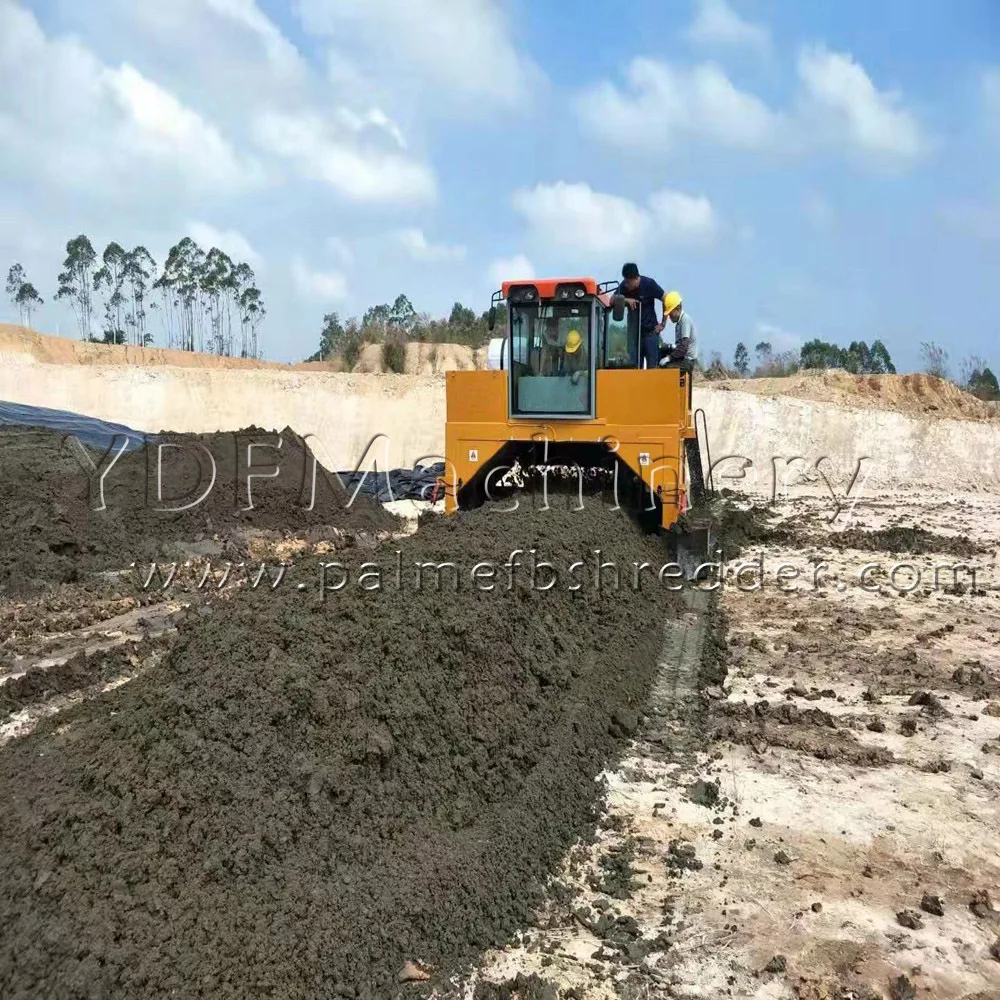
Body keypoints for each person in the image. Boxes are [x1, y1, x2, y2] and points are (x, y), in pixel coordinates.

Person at [616, 262, 666, 370]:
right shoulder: (623, 287)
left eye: (628, 282)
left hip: (650, 333)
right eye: (625, 281)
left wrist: (663, 323)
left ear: (635, 278)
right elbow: (612, 300)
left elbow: (666, 298)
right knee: (633, 367)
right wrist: (626, 300)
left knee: (652, 368)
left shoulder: (649, 284)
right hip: (633, 335)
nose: (626, 285)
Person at [658, 290, 698, 367]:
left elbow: (683, 348)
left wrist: (668, 358)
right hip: (683, 358)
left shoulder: (685, 320)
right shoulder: (679, 322)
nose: (669, 317)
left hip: (688, 361)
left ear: (678, 308)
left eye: (671, 314)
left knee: (666, 367)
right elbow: (679, 345)